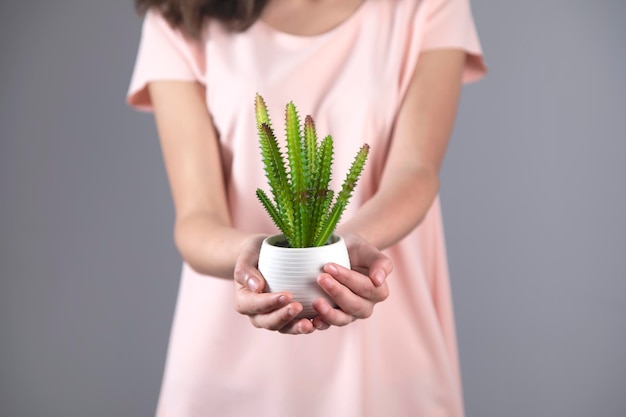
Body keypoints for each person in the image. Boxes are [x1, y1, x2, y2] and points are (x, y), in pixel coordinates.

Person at [127, 0, 486, 415]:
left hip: (385, 352)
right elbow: (195, 218)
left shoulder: (427, 6)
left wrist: (348, 246)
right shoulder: (180, 14)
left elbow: (416, 170)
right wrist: (252, 259)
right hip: (232, 360)